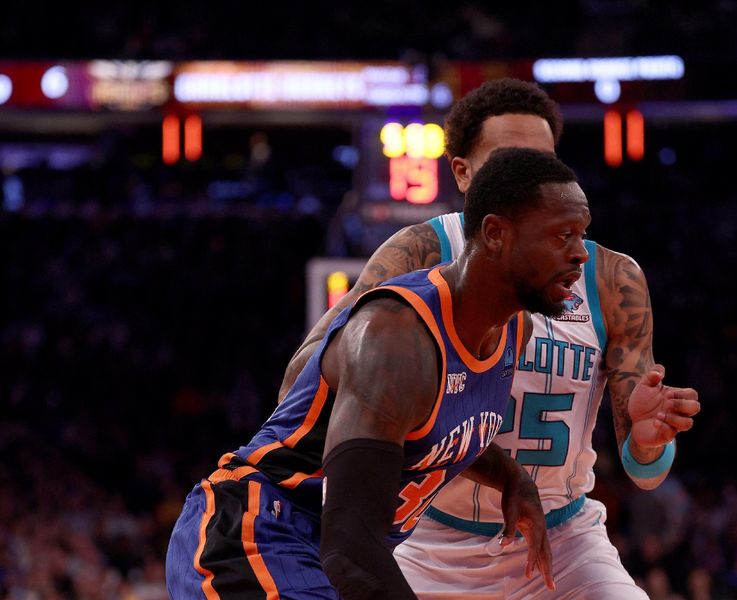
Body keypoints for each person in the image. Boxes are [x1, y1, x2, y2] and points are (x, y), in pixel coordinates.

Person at [280, 78, 701, 599]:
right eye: (508, 160)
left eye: (540, 161)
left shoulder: (609, 277)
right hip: (423, 540)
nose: (526, 178)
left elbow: (645, 471)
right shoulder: (419, 253)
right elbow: (303, 379)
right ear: (462, 172)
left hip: (562, 537)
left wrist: (645, 437)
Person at [165, 147, 596, 599]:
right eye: (562, 236)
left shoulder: (511, 330)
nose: (580, 254)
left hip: (321, 554)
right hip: (255, 533)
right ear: (494, 234)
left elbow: (439, 427)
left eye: (581, 235)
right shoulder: (395, 337)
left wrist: (511, 477)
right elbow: (352, 551)